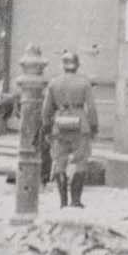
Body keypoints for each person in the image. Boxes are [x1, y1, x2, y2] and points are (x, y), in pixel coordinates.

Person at [41, 49, 98, 209]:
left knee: (59, 162)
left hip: (59, 124)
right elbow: (91, 108)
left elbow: (46, 110)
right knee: (81, 162)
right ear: (77, 65)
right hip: (80, 125)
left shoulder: (54, 82)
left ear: (63, 66)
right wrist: (93, 126)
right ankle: (75, 200)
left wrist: (47, 128)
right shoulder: (84, 82)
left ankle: (63, 202)